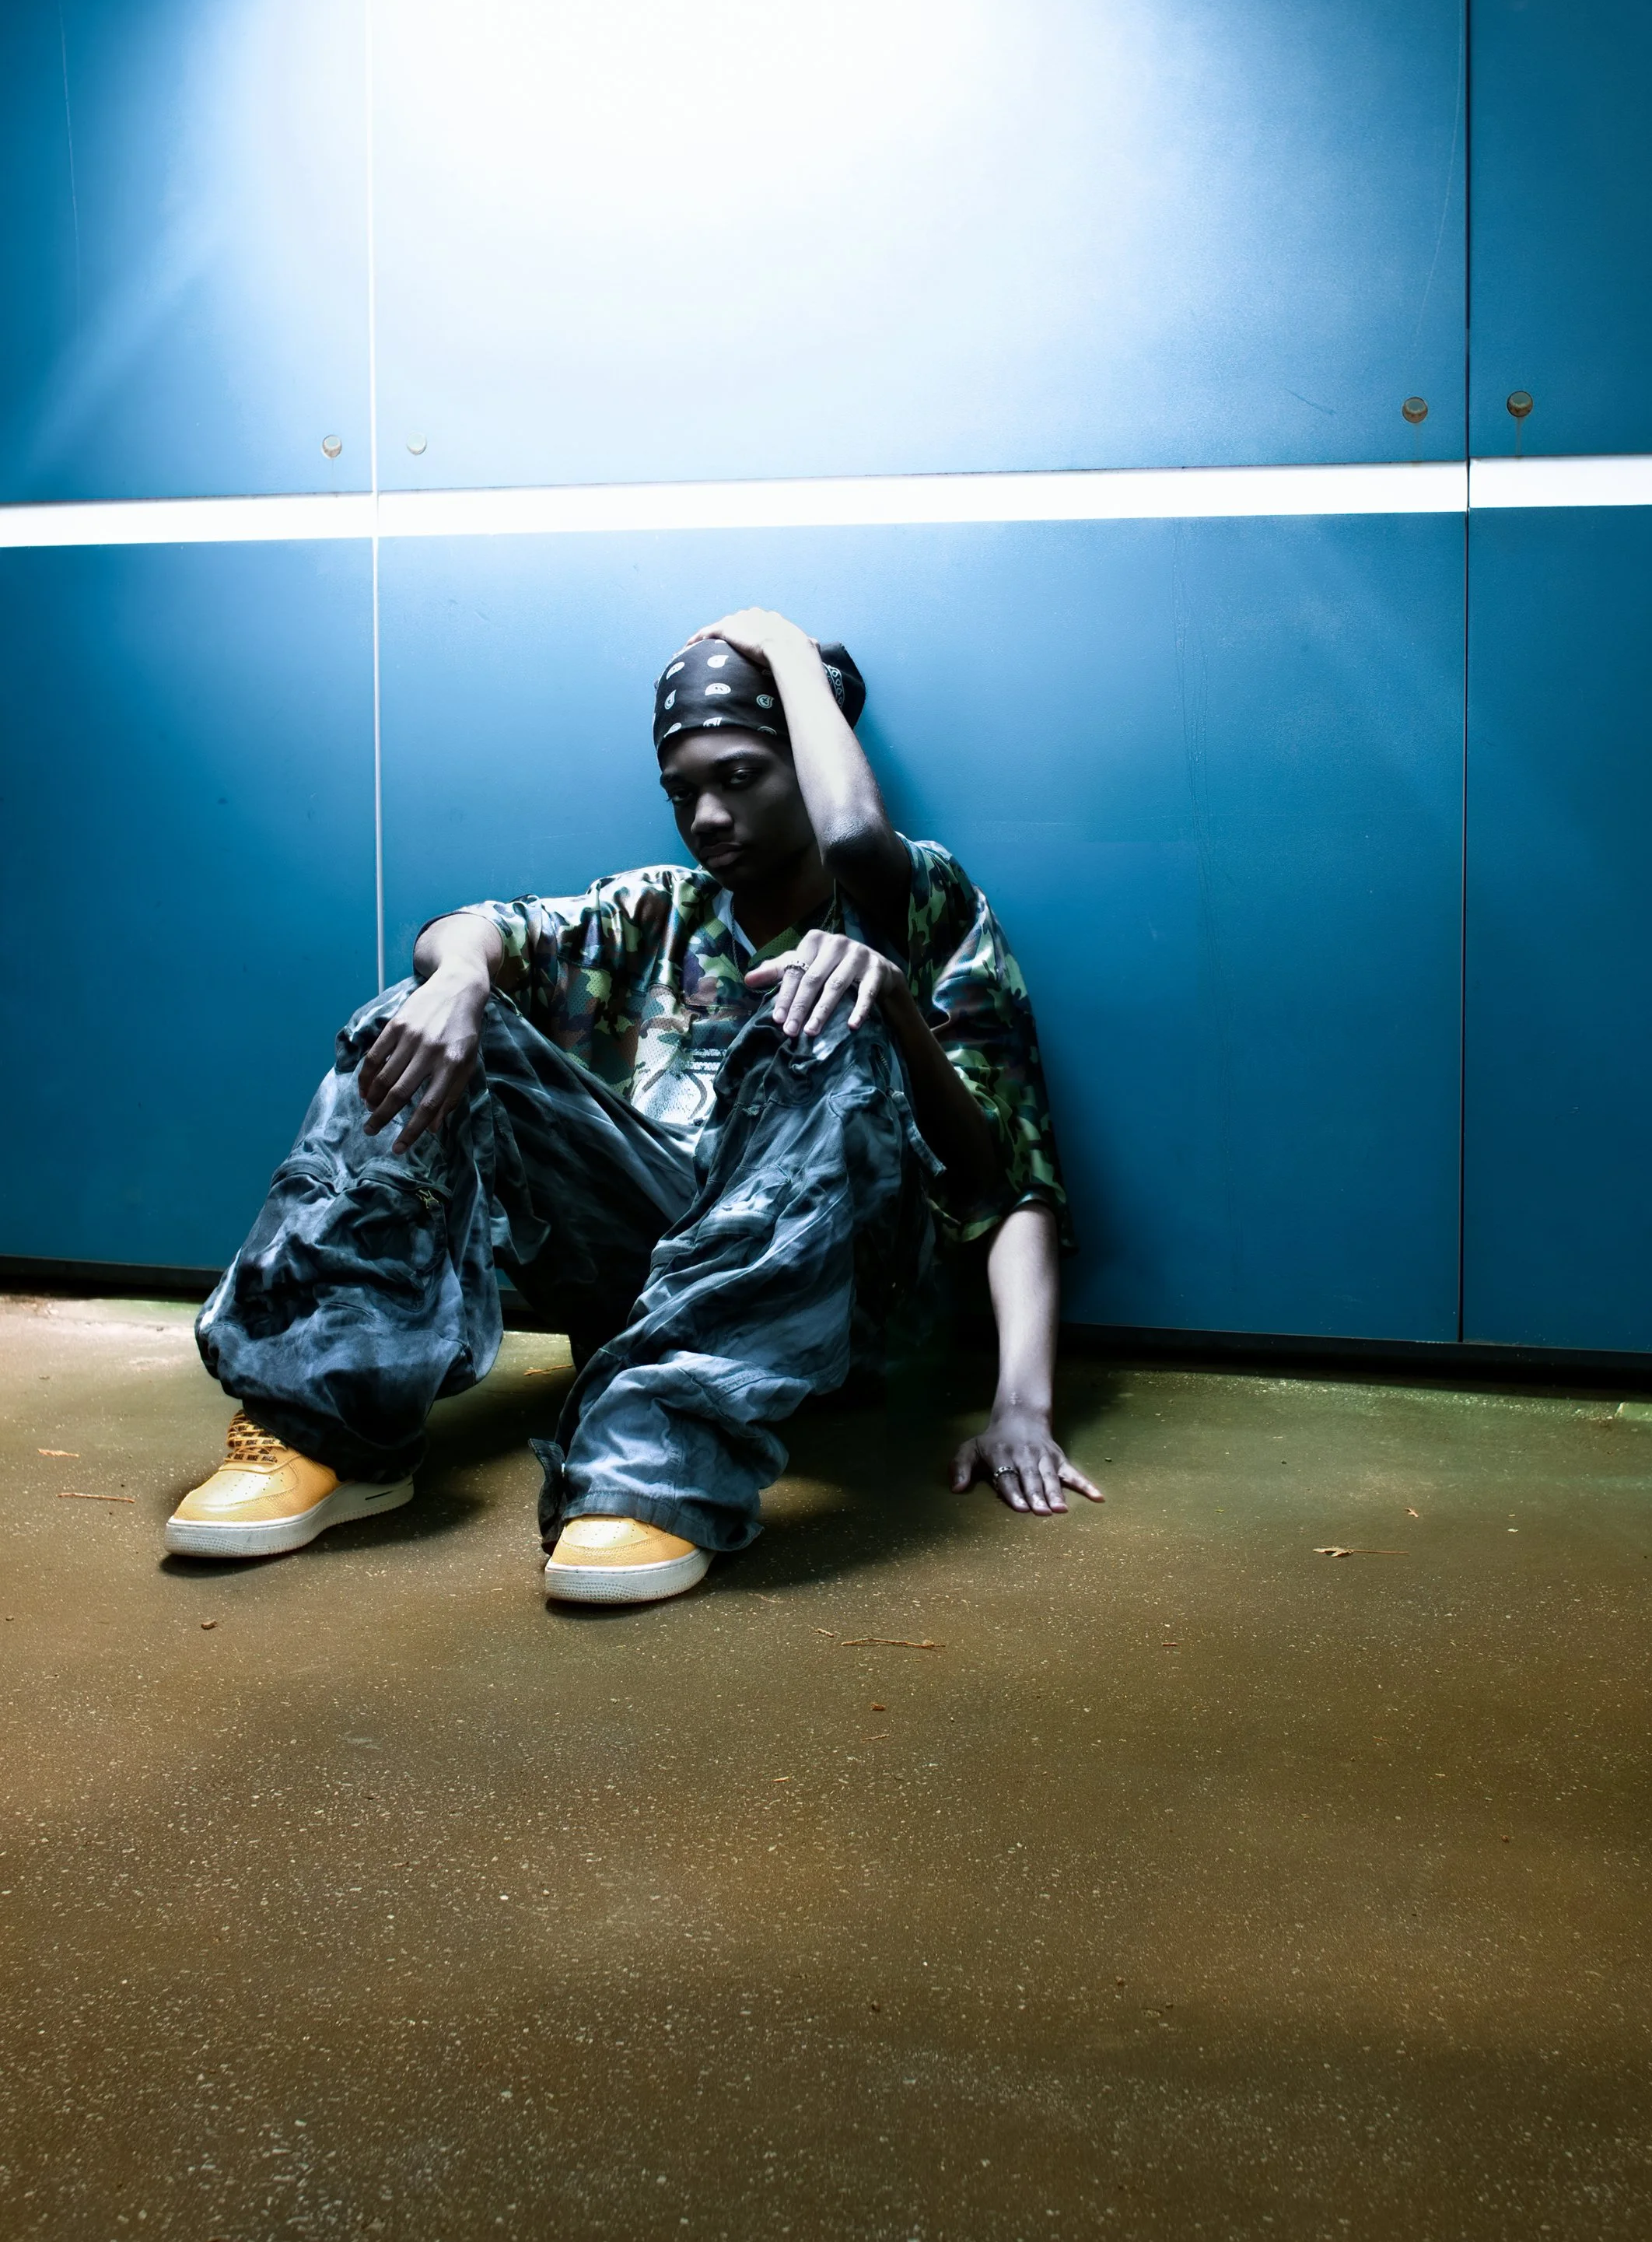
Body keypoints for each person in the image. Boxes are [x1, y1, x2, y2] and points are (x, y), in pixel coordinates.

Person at [166, 607, 1101, 1603]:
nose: (707, 817)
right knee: (422, 1009)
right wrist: (462, 975)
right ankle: (324, 1428)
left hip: (840, 1306)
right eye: (683, 791)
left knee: (834, 1001)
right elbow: (470, 928)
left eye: (740, 776)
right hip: (647, 1283)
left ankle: (651, 1472)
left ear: (809, 762)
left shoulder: (921, 903)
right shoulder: (657, 909)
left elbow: (1010, 1182)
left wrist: (1021, 1408)